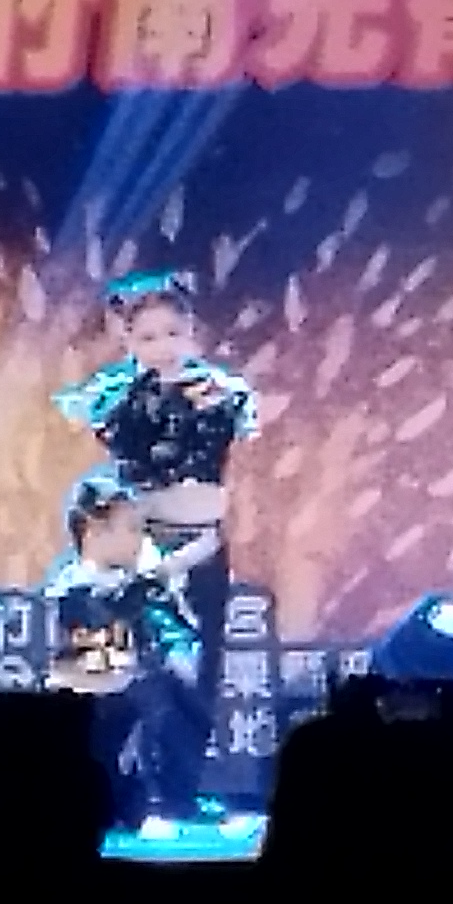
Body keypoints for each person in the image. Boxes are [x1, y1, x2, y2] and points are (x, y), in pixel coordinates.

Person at [53, 269, 260, 824]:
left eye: (173, 333)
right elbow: (125, 457)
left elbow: (225, 445)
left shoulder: (220, 391)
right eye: (147, 336)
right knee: (124, 671)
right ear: (127, 339)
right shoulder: (117, 396)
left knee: (196, 672)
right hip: (139, 546)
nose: (163, 346)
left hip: (204, 545)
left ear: (192, 331)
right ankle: (103, 789)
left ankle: (178, 793)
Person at [40, 471, 217, 842]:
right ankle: (138, 808)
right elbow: (102, 619)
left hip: (130, 684)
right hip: (96, 696)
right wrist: (172, 566)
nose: (140, 539)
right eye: (131, 529)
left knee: (174, 694)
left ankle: (176, 799)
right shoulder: (72, 587)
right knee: (140, 711)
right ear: (94, 530)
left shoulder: (127, 584)